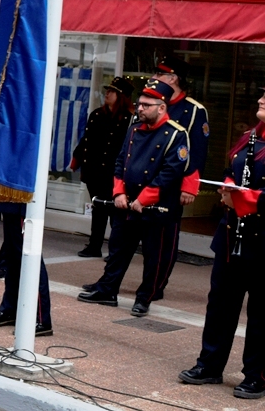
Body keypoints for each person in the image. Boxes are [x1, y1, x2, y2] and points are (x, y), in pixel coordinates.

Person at [178, 90, 265, 399]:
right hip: (232, 236)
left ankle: (256, 375)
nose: (262, 99)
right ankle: (210, 364)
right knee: (221, 305)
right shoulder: (249, 137)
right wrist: (229, 186)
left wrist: (242, 198)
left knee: (261, 313)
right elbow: (231, 171)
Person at [78, 79, 190, 317]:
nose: (140, 109)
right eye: (140, 104)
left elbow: (170, 173)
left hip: (157, 208)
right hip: (127, 204)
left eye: (147, 105)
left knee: (154, 257)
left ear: (162, 108)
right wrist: (118, 192)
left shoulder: (176, 134)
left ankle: (144, 298)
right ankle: (108, 290)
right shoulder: (133, 129)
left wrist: (143, 199)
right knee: (118, 249)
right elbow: (120, 163)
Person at [72, 76, 135, 257]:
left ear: (121, 96)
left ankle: (116, 250)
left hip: (114, 174)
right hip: (95, 171)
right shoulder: (97, 115)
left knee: (116, 214)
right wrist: (77, 157)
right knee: (98, 210)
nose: (107, 94)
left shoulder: (129, 121)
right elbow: (87, 139)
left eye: (112, 92)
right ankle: (94, 246)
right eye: (108, 90)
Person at [0, 203, 53, 337]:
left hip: (24, 200)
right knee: (13, 258)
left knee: (30, 258)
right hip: (10, 199)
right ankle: (10, 309)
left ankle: (41, 318)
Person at [152, 56, 209, 207]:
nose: (153, 78)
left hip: (172, 182)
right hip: (146, 177)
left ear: (173, 79)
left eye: (158, 74)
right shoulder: (151, 104)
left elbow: (198, 150)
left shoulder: (194, 110)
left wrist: (190, 185)